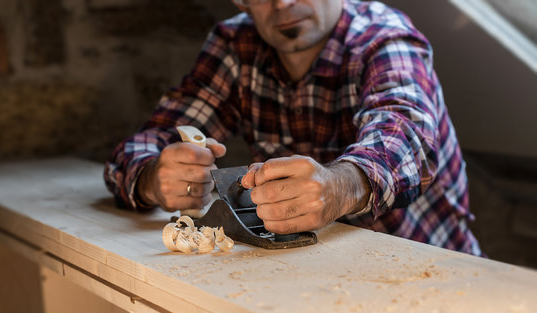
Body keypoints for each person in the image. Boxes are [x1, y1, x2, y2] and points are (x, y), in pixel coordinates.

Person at [104, 0, 482, 255]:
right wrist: (155, 176)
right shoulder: (236, 44)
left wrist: (342, 185)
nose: (282, 4)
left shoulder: (383, 38)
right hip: (312, 277)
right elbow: (149, 141)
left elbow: (407, 137)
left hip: (427, 269)